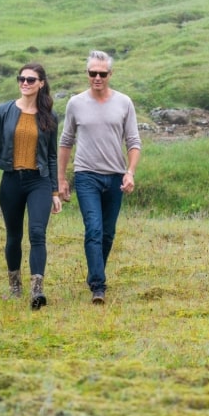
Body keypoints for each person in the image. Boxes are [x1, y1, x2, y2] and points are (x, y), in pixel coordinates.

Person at [58, 50, 142, 305]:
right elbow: (66, 141)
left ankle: (96, 273)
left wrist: (130, 172)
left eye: (102, 74)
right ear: (87, 74)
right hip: (86, 176)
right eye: (92, 73)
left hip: (115, 176)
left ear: (110, 75)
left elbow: (134, 141)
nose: (97, 77)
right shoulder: (75, 103)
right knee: (93, 229)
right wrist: (61, 179)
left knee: (107, 233)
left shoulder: (124, 102)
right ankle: (98, 285)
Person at [0, 63, 62, 310]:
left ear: (41, 83)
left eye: (30, 79)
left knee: (38, 233)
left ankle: (37, 291)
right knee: (14, 236)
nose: (25, 83)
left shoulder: (49, 117)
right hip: (12, 180)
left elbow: (52, 156)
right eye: (22, 79)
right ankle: (15, 287)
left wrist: (55, 191)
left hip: (39, 181)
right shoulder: (4, 111)